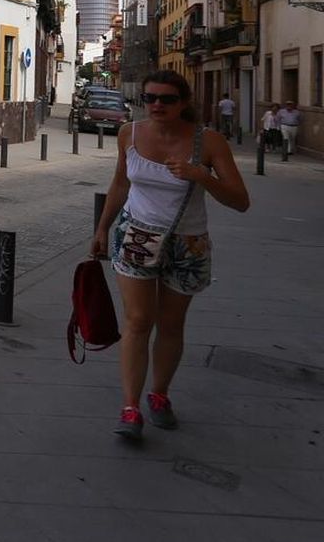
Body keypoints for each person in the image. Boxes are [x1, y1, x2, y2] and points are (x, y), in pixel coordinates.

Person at [90, 69, 250, 441]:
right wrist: (102, 228)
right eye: (150, 98)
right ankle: (130, 407)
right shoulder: (129, 134)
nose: (157, 105)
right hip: (137, 236)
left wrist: (201, 175)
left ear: (184, 102)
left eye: (167, 99)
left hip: (187, 244)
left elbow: (241, 201)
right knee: (138, 320)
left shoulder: (209, 142)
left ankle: (159, 394)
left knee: (171, 324)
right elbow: (120, 183)